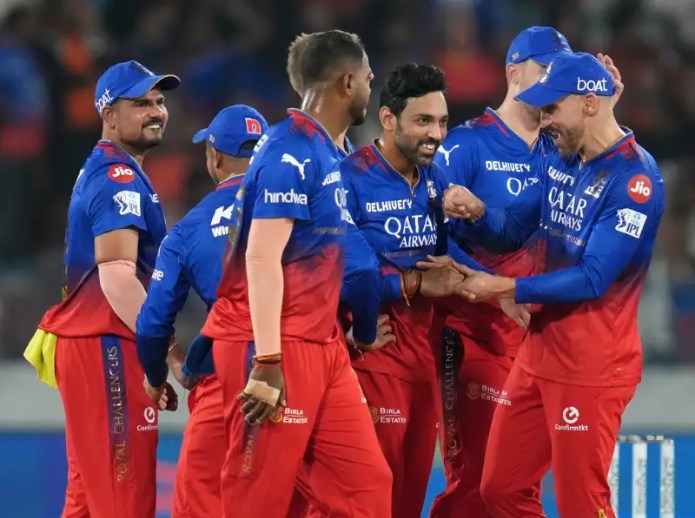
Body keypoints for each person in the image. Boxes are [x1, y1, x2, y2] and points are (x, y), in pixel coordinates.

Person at [442, 52, 665, 518]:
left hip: (591, 367)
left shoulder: (635, 180)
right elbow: (511, 229)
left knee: (582, 504)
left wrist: (504, 287)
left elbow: (593, 278)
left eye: (551, 109)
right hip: (538, 354)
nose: (543, 122)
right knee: (500, 489)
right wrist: (478, 212)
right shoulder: (560, 162)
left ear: (588, 104)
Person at [200, 30, 392, 518]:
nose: (371, 86)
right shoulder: (288, 151)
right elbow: (261, 257)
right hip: (273, 343)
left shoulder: (327, 151)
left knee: (367, 487)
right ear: (347, 83)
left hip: (322, 343)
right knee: (258, 498)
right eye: (368, 78)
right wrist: (267, 359)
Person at [23, 60, 180, 518]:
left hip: (93, 343)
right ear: (109, 114)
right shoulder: (118, 178)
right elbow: (117, 277)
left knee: (88, 503)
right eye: (141, 104)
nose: (157, 112)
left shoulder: (115, 170)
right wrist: (166, 350)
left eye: (159, 102)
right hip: (107, 342)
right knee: (122, 499)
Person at [427, 26, 572, 518]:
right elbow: (432, 239)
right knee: (474, 482)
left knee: (517, 488)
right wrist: (497, 292)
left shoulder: (562, 150)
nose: (555, 79)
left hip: (540, 344)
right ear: (514, 72)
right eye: (545, 68)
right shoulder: (466, 145)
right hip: (475, 338)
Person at [338, 63, 490, 518]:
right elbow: (337, 274)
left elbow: (444, 256)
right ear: (388, 118)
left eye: (442, 122)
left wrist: (500, 287)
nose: (436, 134)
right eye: (423, 121)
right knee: (369, 501)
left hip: (424, 361)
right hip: (371, 354)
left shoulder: (435, 179)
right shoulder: (349, 178)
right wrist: (415, 284)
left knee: (409, 497)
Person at [135, 105, 268, 518]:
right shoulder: (302, 205)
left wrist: (159, 373)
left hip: (226, 374)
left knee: (201, 500)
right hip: (305, 359)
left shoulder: (189, 229)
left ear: (214, 156)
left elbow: (153, 323)